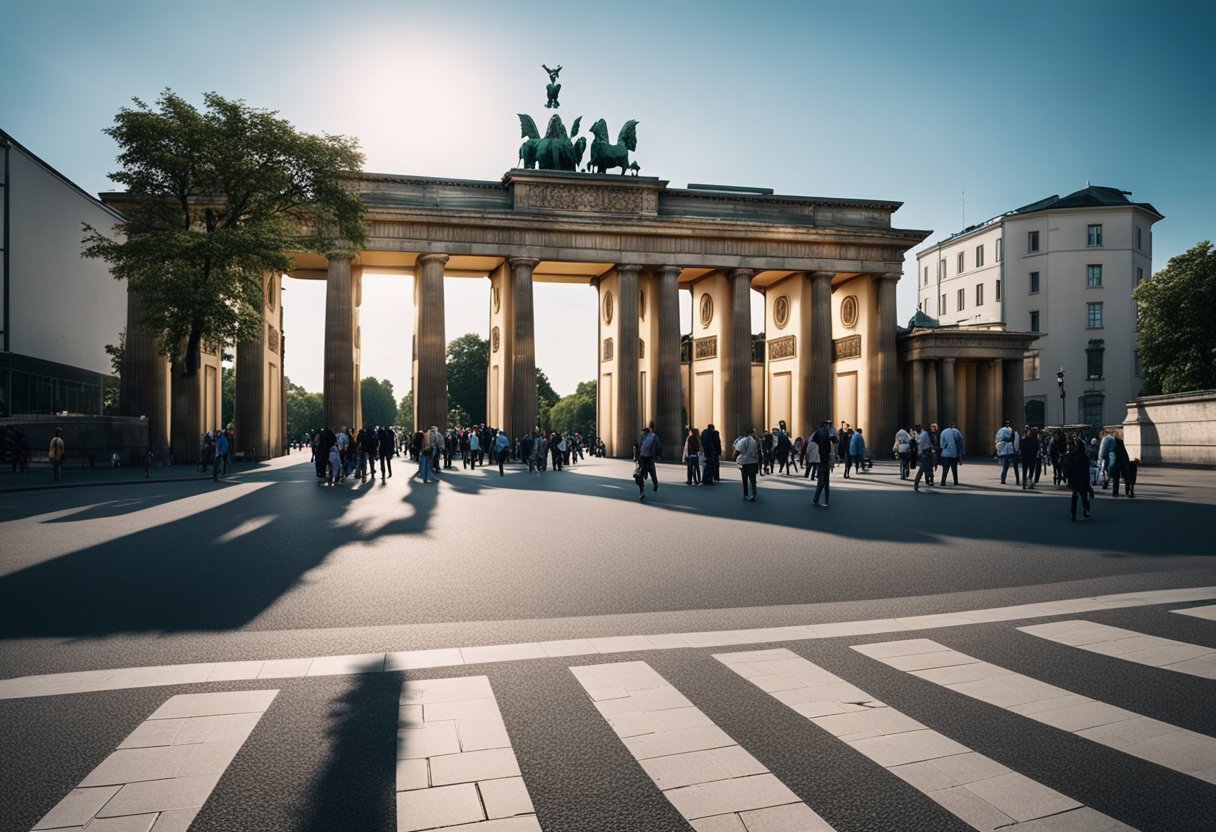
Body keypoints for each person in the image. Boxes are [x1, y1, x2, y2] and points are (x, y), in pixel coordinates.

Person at [1065, 439, 1092, 520]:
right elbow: (1087, 469)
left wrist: (1068, 479)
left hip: (1074, 477)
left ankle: (1073, 513)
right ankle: (1086, 510)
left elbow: (1068, 469)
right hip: (1082, 477)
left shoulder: (1071, 456)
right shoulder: (1084, 457)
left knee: (1075, 495)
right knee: (1084, 495)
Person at [811, 420, 834, 507]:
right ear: (825, 425)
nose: (829, 426)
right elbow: (827, 443)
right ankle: (824, 501)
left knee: (822, 481)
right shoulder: (823, 433)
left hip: (821, 459)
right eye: (828, 424)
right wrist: (831, 437)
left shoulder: (820, 432)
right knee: (824, 481)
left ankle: (817, 499)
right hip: (823, 459)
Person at [734, 427, 760, 501]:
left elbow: (738, 450)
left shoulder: (742, 440)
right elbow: (757, 451)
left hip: (744, 462)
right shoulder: (755, 441)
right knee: (752, 480)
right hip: (753, 462)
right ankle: (753, 494)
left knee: (744, 479)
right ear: (752, 433)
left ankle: (745, 495)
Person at [635, 425, 660, 499]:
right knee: (650, 473)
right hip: (645, 459)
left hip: (646, 458)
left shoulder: (650, 437)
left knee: (642, 474)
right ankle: (653, 486)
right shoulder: (649, 437)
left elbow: (639, 448)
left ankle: (645, 490)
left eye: (642, 433)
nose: (641, 434)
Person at [995, 419, 1020, 485]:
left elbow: (997, 441)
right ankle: (1015, 480)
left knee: (1007, 466)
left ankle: (1004, 479)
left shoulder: (1001, 431)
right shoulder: (1011, 432)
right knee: (1010, 467)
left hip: (1008, 451)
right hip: (1009, 451)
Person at [913, 424, 935, 492]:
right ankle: (916, 484)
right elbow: (927, 442)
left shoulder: (918, 435)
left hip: (923, 453)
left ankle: (928, 480)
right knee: (923, 469)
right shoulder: (924, 434)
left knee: (926, 467)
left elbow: (919, 445)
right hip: (926, 452)